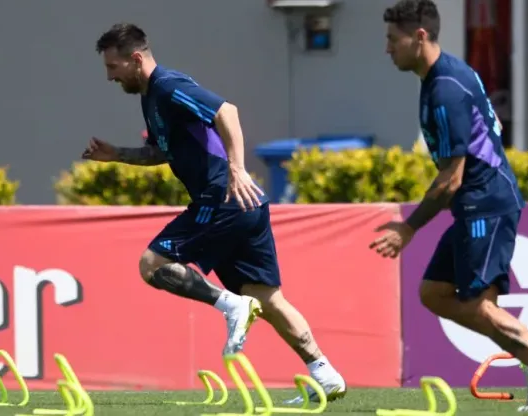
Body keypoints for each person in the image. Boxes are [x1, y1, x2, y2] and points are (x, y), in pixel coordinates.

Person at [82, 23, 346, 403]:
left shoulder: (169, 86)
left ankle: (231, 305)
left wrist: (237, 168)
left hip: (220, 198)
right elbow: (161, 152)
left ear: (136, 59)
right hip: (245, 205)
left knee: (152, 264)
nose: (109, 76)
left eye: (113, 67)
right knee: (268, 298)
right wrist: (117, 155)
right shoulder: (151, 97)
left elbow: (227, 112)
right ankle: (325, 373)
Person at [370, 0, 528, 412]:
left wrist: (408, 227)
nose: (387, 48)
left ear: (419, 37)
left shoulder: (446, 87)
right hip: (476, 205)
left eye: (391, 40)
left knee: (476, 305)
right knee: (434, 293)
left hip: (485, 204)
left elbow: (451, 178)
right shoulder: (441, 76)